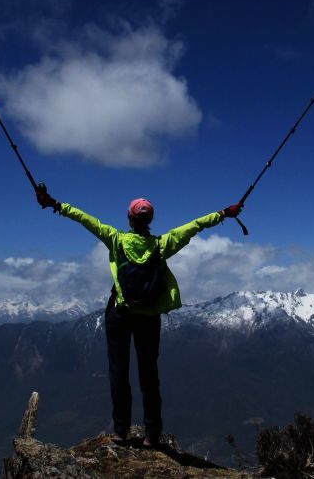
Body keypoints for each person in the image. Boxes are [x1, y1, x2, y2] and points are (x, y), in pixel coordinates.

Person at [34, 184, 243, 447]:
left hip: (120, 313)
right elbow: (195, 226)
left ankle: (120, 432)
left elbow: (84, 218)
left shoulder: (116, 239)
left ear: (129, 218)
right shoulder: (162, 245)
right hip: (149, 316)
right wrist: (225, 213)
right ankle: (152, 434)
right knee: (149, 375)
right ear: (151, 220)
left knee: (118, 372)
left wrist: (54, 204)